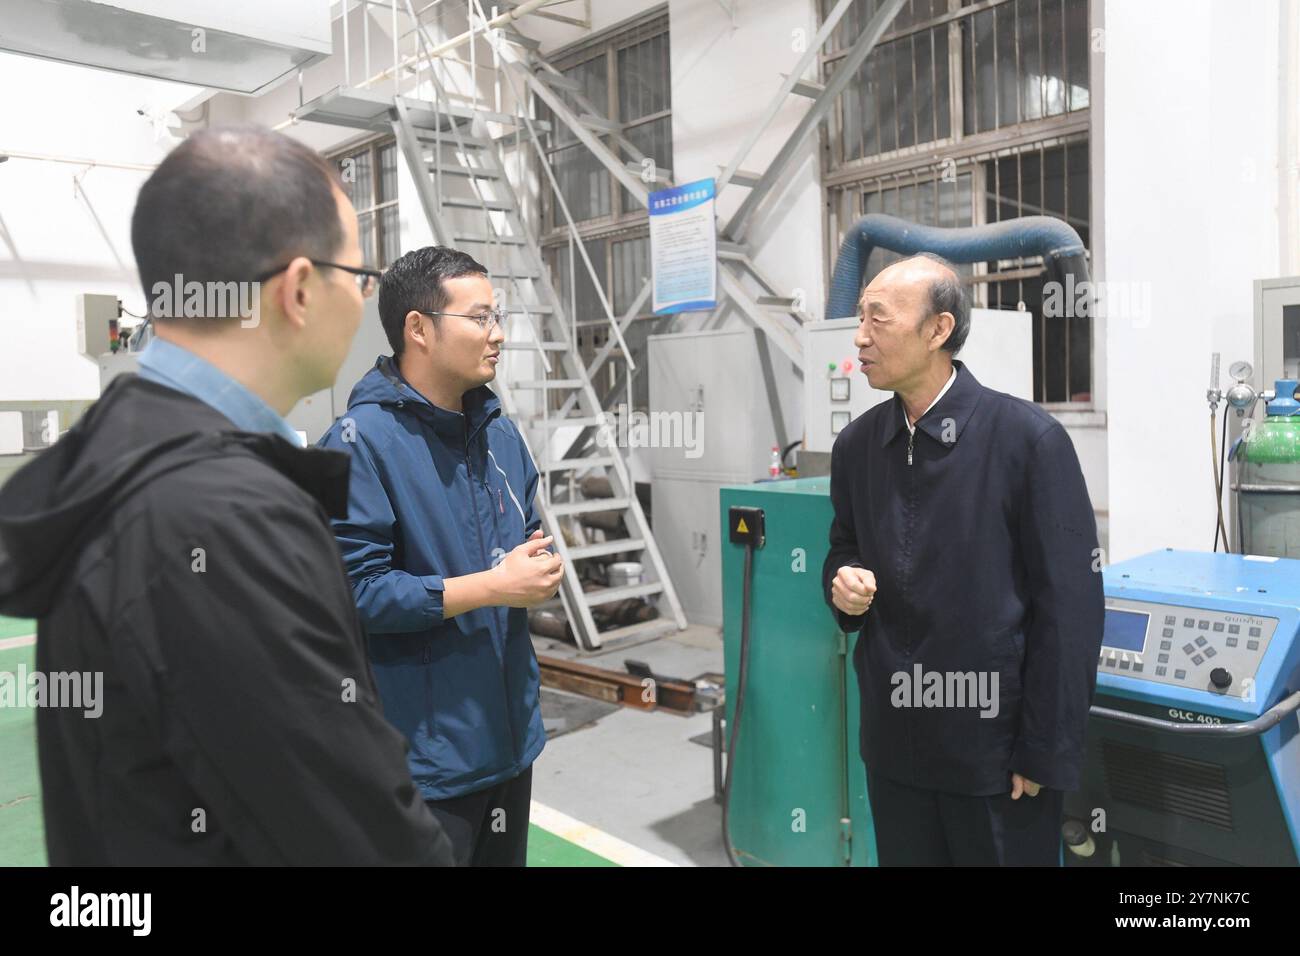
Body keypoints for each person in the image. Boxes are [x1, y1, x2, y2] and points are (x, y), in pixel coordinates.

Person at [0, 125, 453, 865]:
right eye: (359, 276)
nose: (364, 299)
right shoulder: (219, 518)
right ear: (300, 290)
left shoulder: (127, 449)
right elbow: (358, 839)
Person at [822, 252, 1104, 866]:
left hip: (996, 761)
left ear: (938, 329)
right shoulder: (858, 447)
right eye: (859, 319)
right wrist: (841, 587)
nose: (860, 337)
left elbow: (1071, 611)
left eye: (878, 319)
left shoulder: (1028, 442)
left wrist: (1043, 750)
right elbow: (842, 547)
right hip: (895, 751)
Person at [319, 245, 560, 867]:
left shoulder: (499, 435)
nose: (498, 334)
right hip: (420, 764)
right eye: (479, 318)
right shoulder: (359, 445)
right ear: (418, 329)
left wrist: (530, 575)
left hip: (506, 740)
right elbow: (354, 593)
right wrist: (493, 586)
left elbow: (524, 539)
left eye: (497, 316)